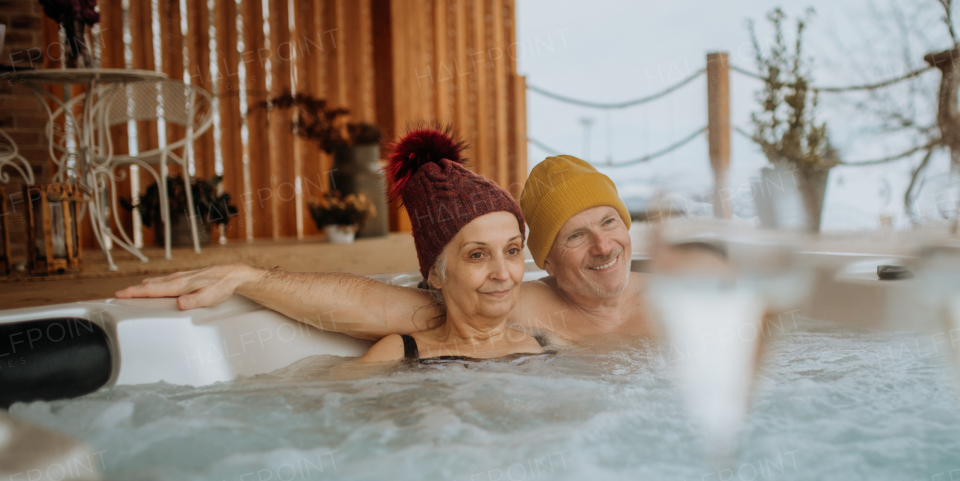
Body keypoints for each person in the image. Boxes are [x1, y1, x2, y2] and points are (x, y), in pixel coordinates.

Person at [116, 144, 653, 345]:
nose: (603, 245)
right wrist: (250, 277)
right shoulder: (524, 307)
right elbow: (378, 303)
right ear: (548, 261)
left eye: (611, 222)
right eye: (576, 235)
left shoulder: (685, 295)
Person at [342, 126, 539, 362]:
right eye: (477, 255)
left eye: (512, 250)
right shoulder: (398, 354)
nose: (503, 273)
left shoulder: (546, 343)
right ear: (436, 273)